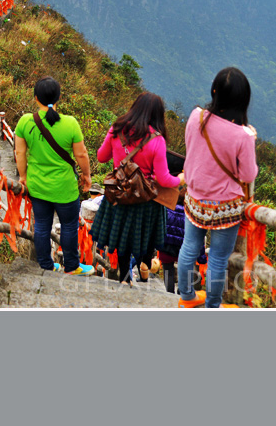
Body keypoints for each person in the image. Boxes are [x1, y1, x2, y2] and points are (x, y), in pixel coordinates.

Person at [177, 67, 258, 309]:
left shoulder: (196, 117)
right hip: (225, 205)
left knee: (189, 248)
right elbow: (247, 174)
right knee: (219, 258)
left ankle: (187, 297)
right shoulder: (243, 135)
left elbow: (193, 149)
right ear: (243, 101)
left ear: (214, 92)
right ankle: (212, 306)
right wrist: (251, 139)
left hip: (194, 198)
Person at [90, 92, 182, 286]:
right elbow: (164, 180)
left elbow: (101, 157)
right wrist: (181, 179)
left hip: (118, 194)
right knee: (144, 238)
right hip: (145, 200)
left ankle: (124, 279)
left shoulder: (116, 129)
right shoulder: (157, 140)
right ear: (158, 115)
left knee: (123, 237)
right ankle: (144, 268)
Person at [14, 76, 95, 275]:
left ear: (36, 98)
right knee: (69, 225)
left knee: (41, 225)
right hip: (64, 188)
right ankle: (72, 266)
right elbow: (81, 154)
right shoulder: (70, 123)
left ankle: (46, 266)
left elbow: (19, 153)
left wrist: (23, 177)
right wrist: (87, 175)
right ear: (58, 98)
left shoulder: (26, 121)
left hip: (38, 186)